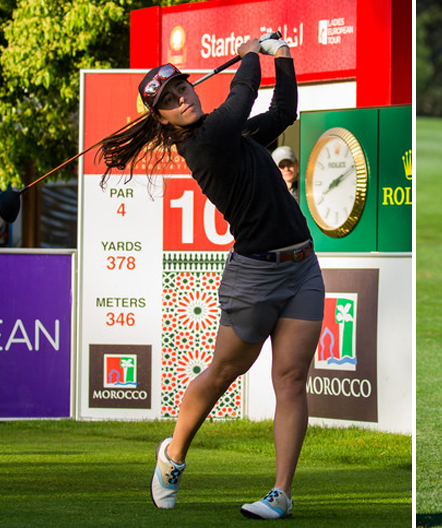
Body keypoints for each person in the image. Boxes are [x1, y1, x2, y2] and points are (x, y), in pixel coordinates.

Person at [96, 35, 324, 520]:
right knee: (225, 371)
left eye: (181, 87)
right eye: (169, 101)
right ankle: (173, 454)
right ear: (161, 118)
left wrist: (282, 55)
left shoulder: (231, 138)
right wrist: (248, 50)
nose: (182, 97)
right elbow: (242, 94)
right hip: (256, 276)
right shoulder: (205, 145)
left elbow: (282, 111)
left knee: (290, 378)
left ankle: (281, 493)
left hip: (302, 266)